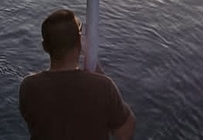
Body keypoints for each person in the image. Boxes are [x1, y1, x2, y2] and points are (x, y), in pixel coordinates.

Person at [19, 9, 135, 140]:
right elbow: (125, 133)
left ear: (45, 46)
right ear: (80, 41)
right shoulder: (103, 87)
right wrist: (99, 72)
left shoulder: (28, 87)